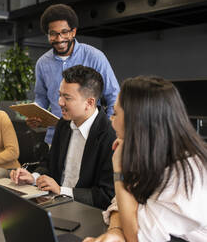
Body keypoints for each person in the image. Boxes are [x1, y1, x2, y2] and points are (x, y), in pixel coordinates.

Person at [84, 76, 207, 242]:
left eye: (115, 114)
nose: (111, 122)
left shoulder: (186, 173)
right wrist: (116, 231)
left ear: (137, 121)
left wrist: (120, 172)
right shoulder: (152, 152)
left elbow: (137, 236)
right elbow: (120, 203)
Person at [10, 65, 116, 210]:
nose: (60, 102)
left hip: (87, 212)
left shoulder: (110, 136)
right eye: (60, 95)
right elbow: (49, 163)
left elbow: (106, 195)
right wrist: (33, 177)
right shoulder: (64, 124)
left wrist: (62, 191)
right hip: (54, 203)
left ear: (89, 102)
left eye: (67, 97)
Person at [28, 4, 120, 145]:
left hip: (90, 137)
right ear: (48, 35)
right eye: (53, 34)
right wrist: (35, 113)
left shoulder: (95, 57)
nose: (59, 39)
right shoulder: (42, 63)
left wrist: (106, 130)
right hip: (55, 138)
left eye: (64, 32)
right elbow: (41, 98)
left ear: (73, 32)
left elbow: (114, 96)